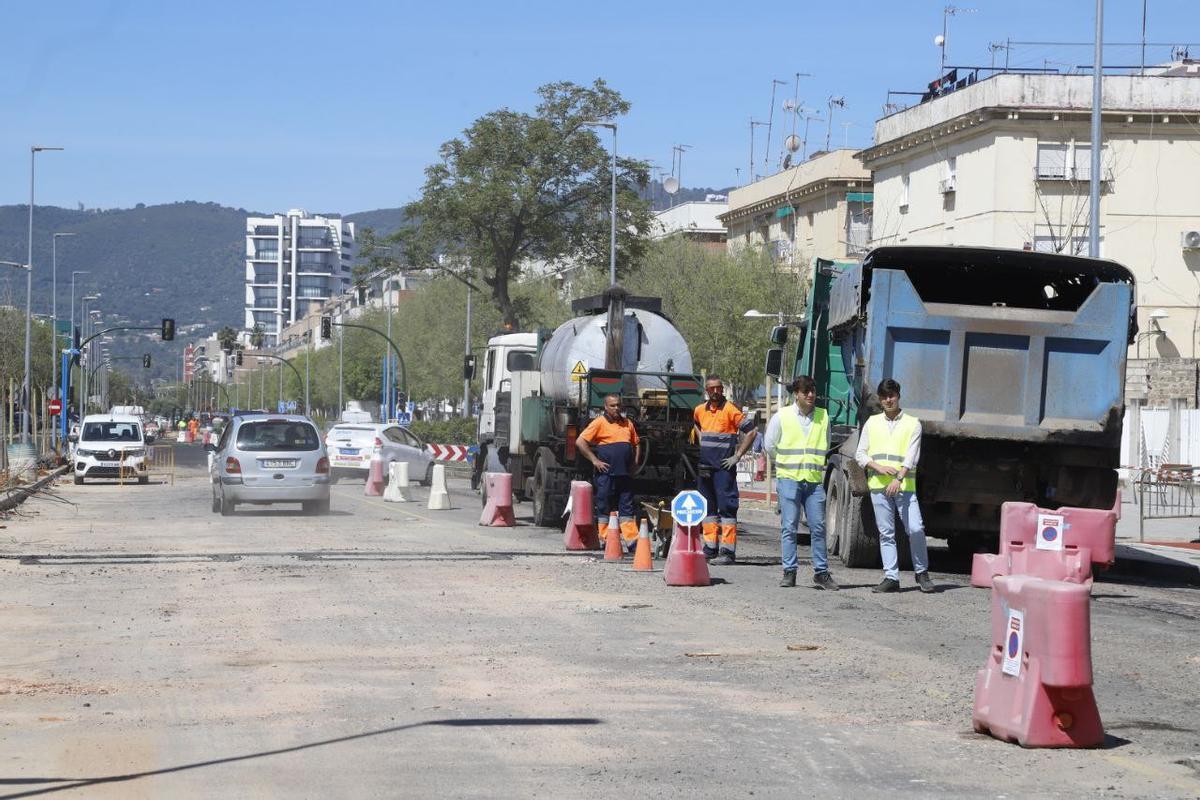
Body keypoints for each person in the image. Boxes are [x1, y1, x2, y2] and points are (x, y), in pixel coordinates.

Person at [855, 378, 935, 593]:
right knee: (886, 533)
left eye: (891, 395)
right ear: (880, 400)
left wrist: (898, 479)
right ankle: (891, 577)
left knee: (916, 528)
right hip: (879, 486)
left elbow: (912, 457)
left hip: (904, 487)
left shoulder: (912, 423)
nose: (888, 400)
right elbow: (860, 454)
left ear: (898, 396)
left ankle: (922, 572)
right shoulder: (872, 423)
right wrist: (878, 468)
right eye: (884, 397)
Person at [765, 376, 838, 590]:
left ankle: (821, 573)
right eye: (805, 391)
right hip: (789, 479)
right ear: (796, 393)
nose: (810, 395)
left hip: (814, 480)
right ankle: (790, 572)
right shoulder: (783, 416)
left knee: (818, 527)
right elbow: (770, 445)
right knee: (789, 527)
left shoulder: (823, 416)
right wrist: (784, 465)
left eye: (813, 391)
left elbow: (824, 444)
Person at [694, 376, 756, 565]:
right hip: (705, 467)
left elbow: (752, 432)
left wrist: (737, 456)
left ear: (722, 390)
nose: (715, 392)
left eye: (719, 388)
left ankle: (727, 552)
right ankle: (710, 548)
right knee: (708, 510)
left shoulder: (730, 409)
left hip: (723, 469)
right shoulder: (699, 410)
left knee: (727, 509)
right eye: (712, 388)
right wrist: (702, 439)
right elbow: (696, 425)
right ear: (706, 390)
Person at [576, 394, 641, 553]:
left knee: (627, 509)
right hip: (606, 475)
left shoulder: (628, 424)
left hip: (624, 474)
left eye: (618, 405)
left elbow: (637, 444)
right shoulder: (599, 422)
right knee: (604, 507)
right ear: (605, 407)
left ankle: (632, 542)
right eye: (612, 405)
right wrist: (594, 460)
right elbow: (580, 442)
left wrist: (635, 463)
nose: (616, 408)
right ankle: (605, 540)